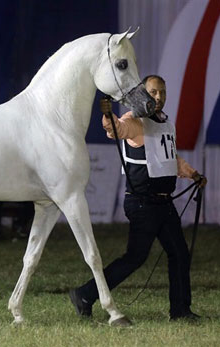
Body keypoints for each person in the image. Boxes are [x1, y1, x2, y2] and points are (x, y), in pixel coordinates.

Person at [69, 75, 207, 322]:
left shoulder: (164, 122)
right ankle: (85, 294)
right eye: (153, 92)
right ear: (143, 94)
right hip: (143, 203)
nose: (158, 97)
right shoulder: (133, 121)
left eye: (162, 92)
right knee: (135, 258)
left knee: (179, 254)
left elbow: (169, 159)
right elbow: (117, 129)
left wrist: (193, 174)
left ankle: (181, 311)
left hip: (163, 203)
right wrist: (108, 118)